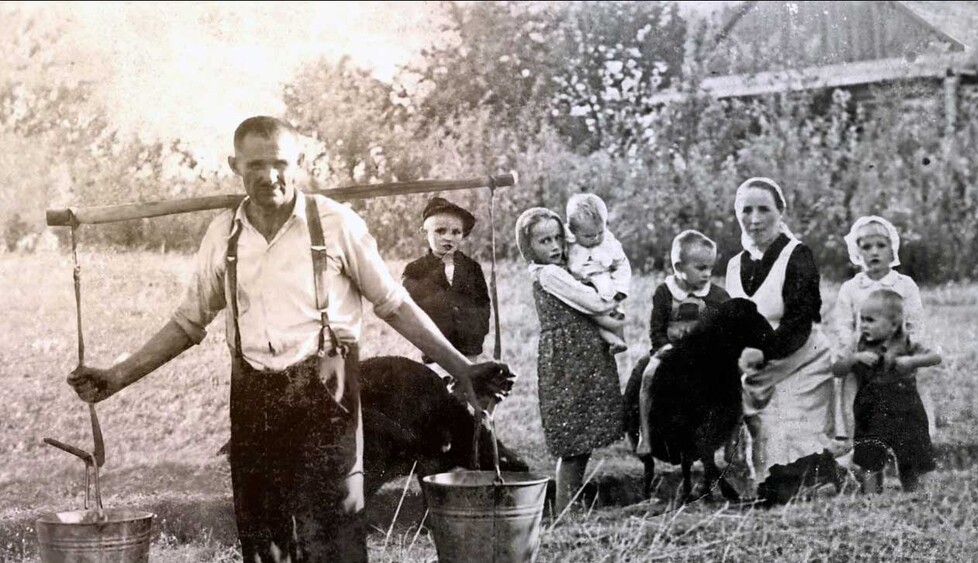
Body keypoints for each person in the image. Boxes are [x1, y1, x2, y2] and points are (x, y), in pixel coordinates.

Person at [66, 116, 513, 563]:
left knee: (335, 532)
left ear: (297, 163)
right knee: (263, 539)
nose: (269, 176)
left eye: (279, 162)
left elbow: (394, 304)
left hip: (328, 388)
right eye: (255, 164)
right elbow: (187, 322)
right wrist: (117, 376)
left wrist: (463, 368)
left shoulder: (337, 224)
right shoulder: (224, 233)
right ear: (234, 165)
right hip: (254, 394)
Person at [725, 177, 837, 483]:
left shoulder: (797, 256)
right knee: (762, 447)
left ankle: (819, 478)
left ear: (780, 212)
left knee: (787, 442)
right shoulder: (735, 265)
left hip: (801, 361)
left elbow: (800, 323)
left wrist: (760, 351)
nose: (755, 219)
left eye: (764, 209)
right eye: (746, 210)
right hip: (758, 370)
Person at [515, 207, 624, 513]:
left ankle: (570, 503)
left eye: (557, 239)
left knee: (582, 433)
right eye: (544, 241)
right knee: (574, 436)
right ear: (529, 247)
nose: (554, 247)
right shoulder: (548, 274)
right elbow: (589, 301)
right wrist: (608, 297)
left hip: (582, 352)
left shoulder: (560, 268)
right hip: (568, 357)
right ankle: (566, 507)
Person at [832, 216, 929, 447]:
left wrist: (908, 353)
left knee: (907, 434)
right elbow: (844, 326)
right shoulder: (851, 288)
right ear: (857, 252)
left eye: (881, 246)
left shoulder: (904, 284)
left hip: (898, 366)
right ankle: (868, 468)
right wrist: (852, 355)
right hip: (865, 368)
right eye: (866, 247)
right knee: (867, 433)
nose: (874, 252)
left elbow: (916, 323)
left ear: (891, 249)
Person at [832, 289, 941, 493]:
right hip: (871, 409)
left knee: (912, 453)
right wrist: (855, 359)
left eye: (870, 320)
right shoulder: (858, 345)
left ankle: (914, 493)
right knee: (869, 456)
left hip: (906, 408)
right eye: (861, 319)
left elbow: (935, 356)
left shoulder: (907, 343)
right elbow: (837, 370)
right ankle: (871, 497)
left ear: (893, 325)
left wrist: (912, 360)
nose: (863, 325)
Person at [635, 229, 729, 456]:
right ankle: (644, 436)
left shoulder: (717, 295)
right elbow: (656, 328)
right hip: (670, 351)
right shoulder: (665, 293)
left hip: (703, 354)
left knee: (730, 382)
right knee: (648, 377)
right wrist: (665, 348)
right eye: (700, 268)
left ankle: (730, 439)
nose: (707, 274)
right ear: (678, 267)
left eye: (710, 268)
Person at [402, 197, 491, 384]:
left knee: (466, 394)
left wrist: (476, 331)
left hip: (468, 347)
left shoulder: (471, 268)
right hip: (436, 349)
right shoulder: (415, 270)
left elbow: (483, 303)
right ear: (424, 232)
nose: (448, 238)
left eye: (456, 232)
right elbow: (409, 310)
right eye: (440, 231)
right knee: (440, 395)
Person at [564, 193, 632, 354]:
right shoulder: (569, 244)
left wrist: (621, 290)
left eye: (600, 232)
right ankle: (613, 340)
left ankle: (619, 339)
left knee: (615, 314)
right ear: (573, 231)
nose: (595, 238)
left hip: (605, 286)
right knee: (590, 318)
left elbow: (622, 265)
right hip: (580, 287)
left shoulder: (609, 243)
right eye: (588, 235)